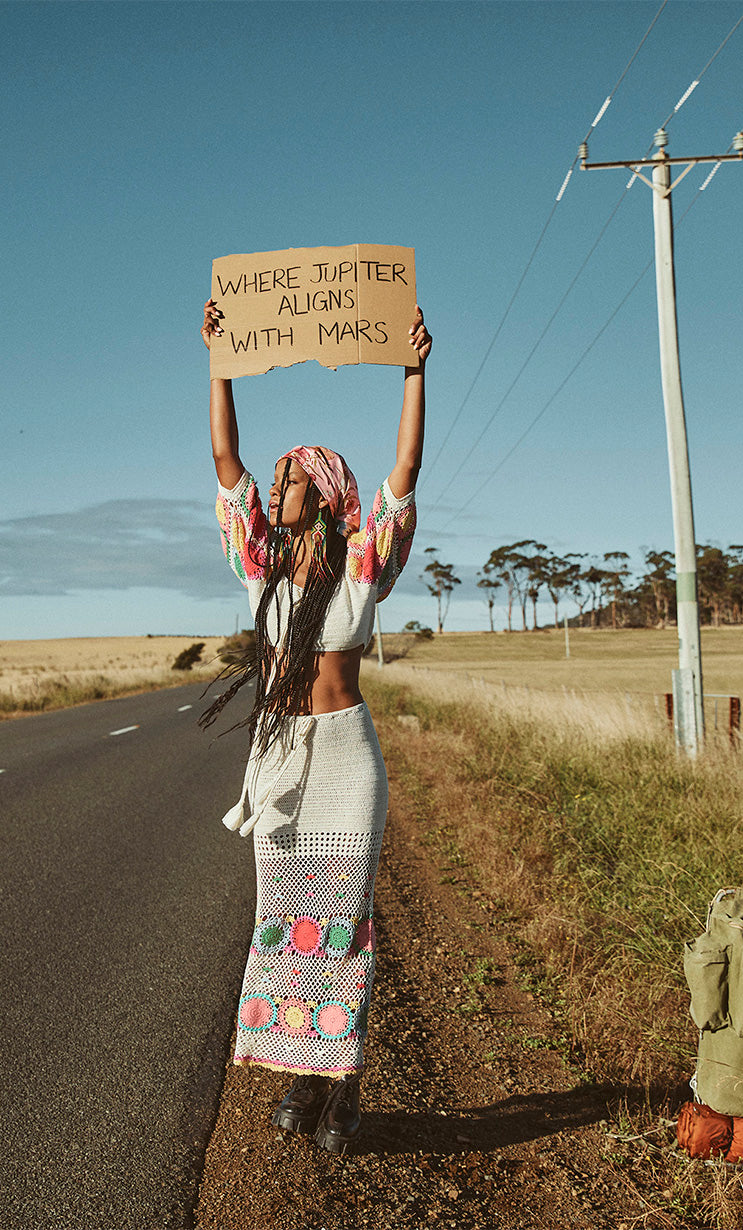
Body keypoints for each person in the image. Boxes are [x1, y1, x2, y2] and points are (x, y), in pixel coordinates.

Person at [200, 296, 431, 1155]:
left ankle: (345, 1091)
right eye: (279, 479)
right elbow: (226, 459)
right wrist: (219, 359)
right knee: (287, 929)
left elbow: (405, 465)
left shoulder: (363, 568)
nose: (279, 487)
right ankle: (303, 1075)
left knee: (343, 929)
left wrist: (415, 368)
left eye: (293, 478)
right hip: (283, 764)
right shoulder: (258, 567)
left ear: (326, 495)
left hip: (346, 761)